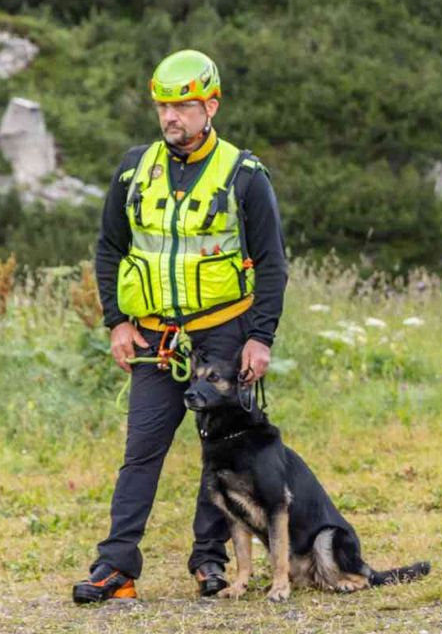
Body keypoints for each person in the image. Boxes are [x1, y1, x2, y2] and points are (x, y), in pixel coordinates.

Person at [72, 49, 289, 604]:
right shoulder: (132, 168)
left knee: (220, 453)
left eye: (184, 106)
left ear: (210, 105)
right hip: (153, 337)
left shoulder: (244, 175)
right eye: (164, 106)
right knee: (142, 447)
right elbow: (109, 248)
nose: (172, 117)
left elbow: (272, 263)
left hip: (223, 333)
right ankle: (116, 566)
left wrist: (259, 337)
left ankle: (210, 563)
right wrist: (117, 322)